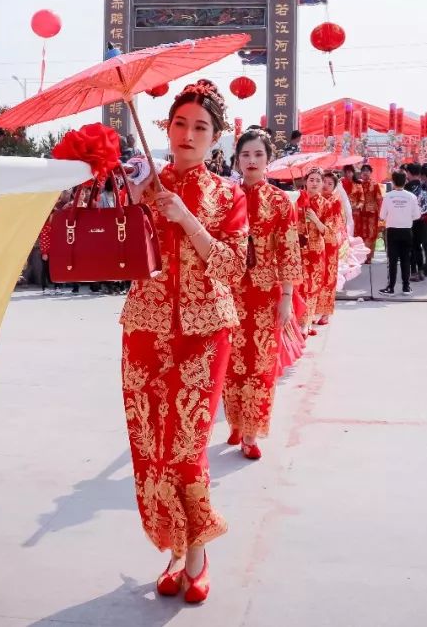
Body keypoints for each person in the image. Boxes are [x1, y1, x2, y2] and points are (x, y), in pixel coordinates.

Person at [120, 80, 247, 603]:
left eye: (201, 127)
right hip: (145, 329)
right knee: (151, 447)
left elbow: (234, 267)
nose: (188, 134)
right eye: (180, 124)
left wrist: (187, 218)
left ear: (216, 139)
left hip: (203, 333)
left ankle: (197, 552)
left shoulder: (228, 194)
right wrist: (128, 206)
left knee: (187, 446)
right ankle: (174, 548)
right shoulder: (143, 184)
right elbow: (120, 258)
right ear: (166, 130)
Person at [223, 128, 302, 462]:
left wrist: (286, 296)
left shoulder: (280, 202)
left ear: (268, 160)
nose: (252, 161)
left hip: (265, 292)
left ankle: (252, 431)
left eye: (258, 155)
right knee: (230, 361)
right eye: (245, 155)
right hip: (229, 291)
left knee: (260, 363)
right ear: (237, 160)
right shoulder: (225, 197)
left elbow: (288, 251)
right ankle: (236, 421)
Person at [297, 168, 330, 336]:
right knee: (299, 286)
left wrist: (315, 220)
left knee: (312, 287)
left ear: (322, 183)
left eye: (318, 180)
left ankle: (307, 323)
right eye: (311, 180)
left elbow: (330, 232)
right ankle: (298, 322)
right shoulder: (297, 200)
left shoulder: (326, 205)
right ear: (305, 182)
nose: (314, 183)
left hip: (316, 251)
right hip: (298, 251)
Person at [379, 170, 420, 295]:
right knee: (405, 259)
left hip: (392, 230)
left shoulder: (388, 196)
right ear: (405, 181)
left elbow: (382, 215)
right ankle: (406, 287)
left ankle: (391, 287)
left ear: (393, 182)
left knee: (392, 260)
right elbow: (417, 215)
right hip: (407, 230)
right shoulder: (411, 196)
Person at [316, 172, 346, 325]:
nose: (326, 185)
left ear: (334, 187)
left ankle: (326, 312)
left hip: (329, 243)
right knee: (315, 277)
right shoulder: (314, 198)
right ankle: (312, 310)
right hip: (314, 243)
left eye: (330, 183)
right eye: (324, 182)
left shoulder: (335, 201)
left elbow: (332, 227)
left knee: (328, 277)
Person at [353, 164, 382, 263]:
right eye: (363, 171)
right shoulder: (357, 184)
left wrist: (381, 213)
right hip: (360, 213)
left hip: (372, 213)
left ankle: (368, 256)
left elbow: (379, 199)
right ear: (361, 173)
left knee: (371, 233)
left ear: (370, 173)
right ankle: (361, 256)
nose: (365, 172)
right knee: (361, 234)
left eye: (367, 171)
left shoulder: (375, 184)